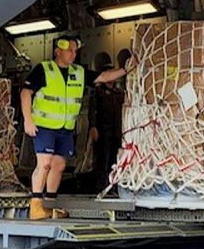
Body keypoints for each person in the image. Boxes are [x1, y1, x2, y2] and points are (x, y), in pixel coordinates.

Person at [20, 36, 135, 220]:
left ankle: (48, 205)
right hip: (44, 127)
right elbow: (26, 92)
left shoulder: (78, 72)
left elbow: (104, 76)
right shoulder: (44, 69)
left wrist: (125, 69)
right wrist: (28, 119)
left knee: (59, 166)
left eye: (75, 51)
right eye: (69, 50)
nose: (73, 54)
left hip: (65, 128)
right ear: (58, 51)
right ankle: (35, 205)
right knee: (45, 163)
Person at [90, 63, 126, 193]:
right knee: (102, 161)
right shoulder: (98, 92)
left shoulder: (118, 93)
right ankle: (101, 186)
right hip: (103, 131)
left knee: (114, 161)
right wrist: (93, 127)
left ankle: (113, 186)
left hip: (116, 131)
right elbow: (92, 110)